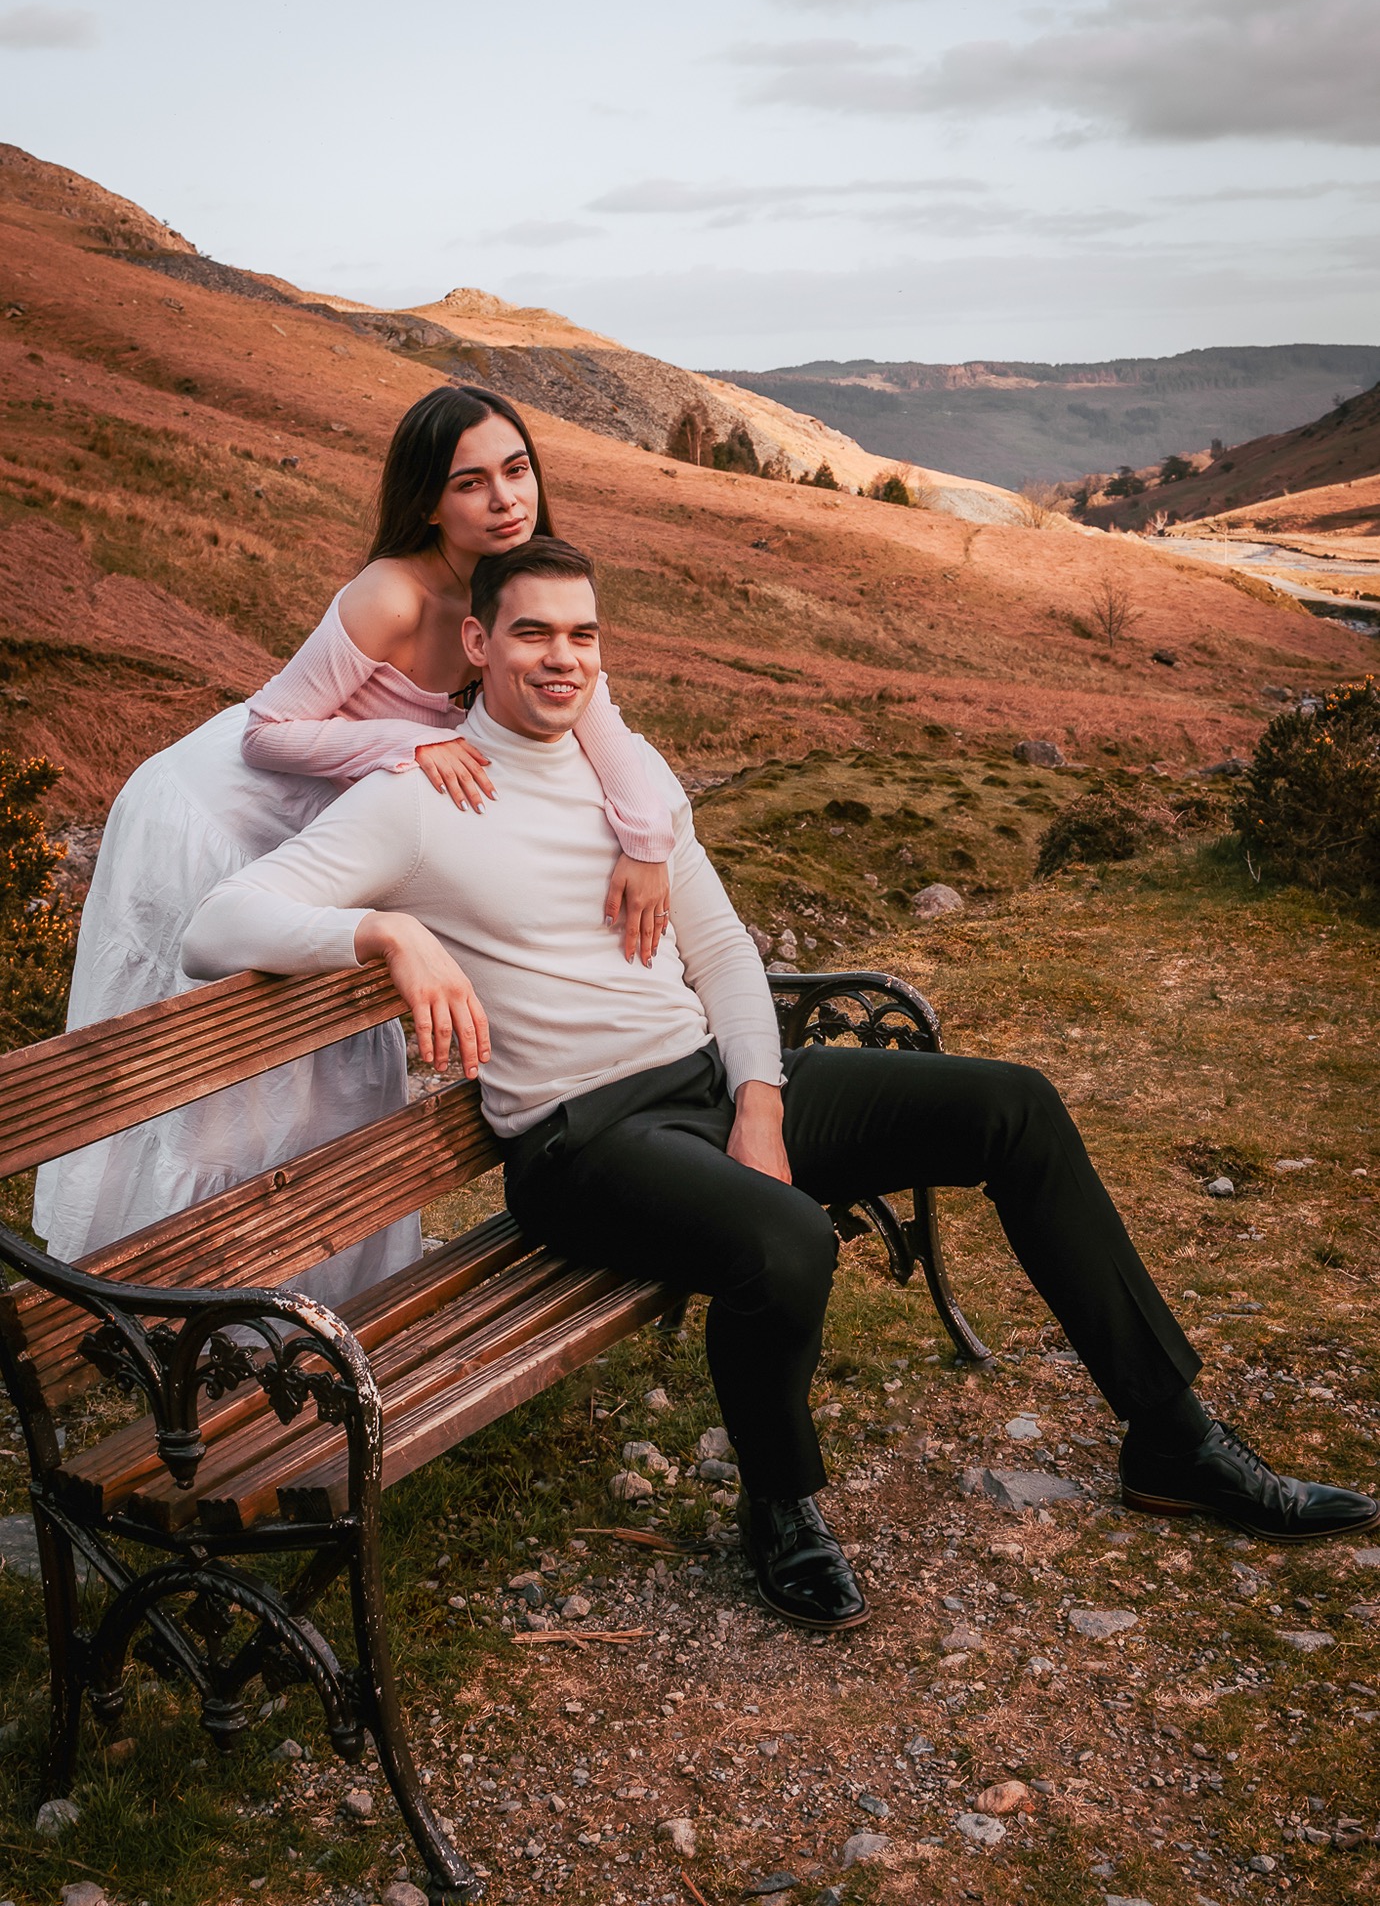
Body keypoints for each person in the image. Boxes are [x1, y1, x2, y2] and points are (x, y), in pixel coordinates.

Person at [181, 538, 1378, 1630]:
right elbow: (218, 921)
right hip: (579, 1140)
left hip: (706, 1081)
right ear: (481, 643)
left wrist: (760, 1098)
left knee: (1016, 1106)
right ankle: (781, 1503)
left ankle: (1171, 1438)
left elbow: (721, 953)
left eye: (584, 634)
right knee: (791, 1241)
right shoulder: (422, 796)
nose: (563, 657)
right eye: (534, 632)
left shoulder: (631, 787)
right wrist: (387, 934)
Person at [33, 389, 673, 1312]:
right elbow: (269, 730)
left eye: (517, 469)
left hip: (325, 826)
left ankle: (291, 1296)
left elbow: (606, 731)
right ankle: (154, 1292)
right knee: (210, 1079)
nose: (505, 498)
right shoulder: (392, 592)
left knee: (317, 1081)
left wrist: (646, 844)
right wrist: (406, 744)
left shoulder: (522, 587)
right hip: (221, 814)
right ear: (428, 503)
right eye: (472, 483)